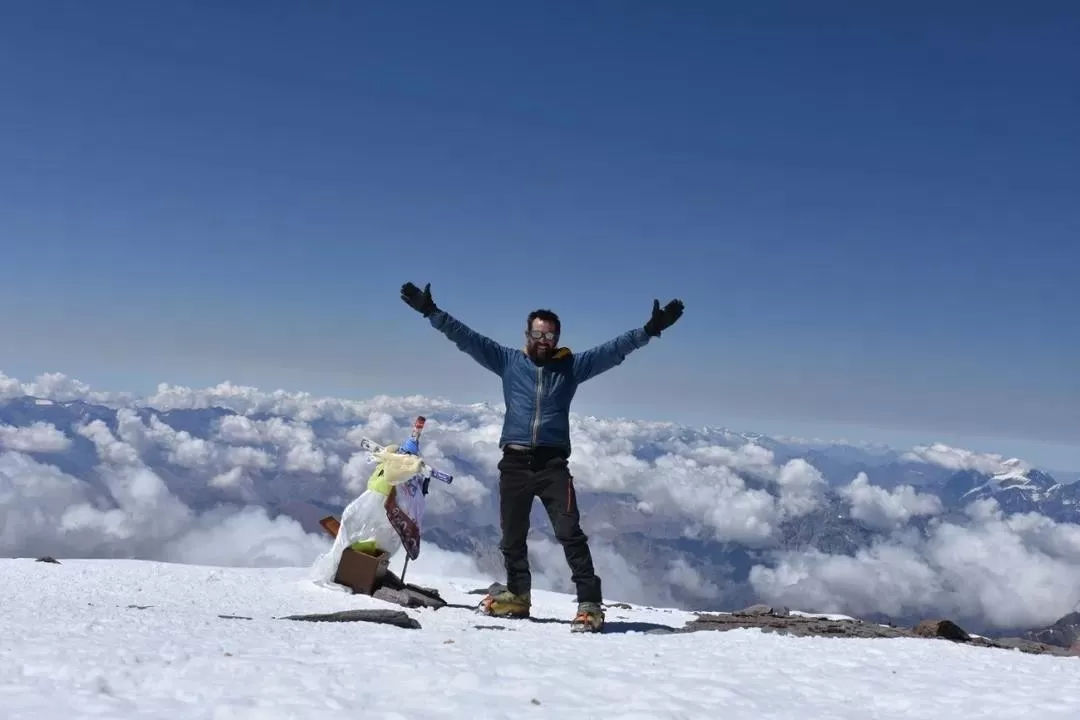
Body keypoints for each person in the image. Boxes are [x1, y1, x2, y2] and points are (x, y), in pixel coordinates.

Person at [399, 281, 684, 632]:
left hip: (552, 466)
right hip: (515, 463)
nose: (543, 342)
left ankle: (590, 603)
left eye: (549, 336)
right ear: (527, 334)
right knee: (511, 536)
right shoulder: (507, 361)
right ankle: (518, 595)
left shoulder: (572, 368)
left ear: (557, 338)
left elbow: (614, 350)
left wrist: (649, 331)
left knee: (569, 531)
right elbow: (466, 338)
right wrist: (432, 312)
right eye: (537, 335)